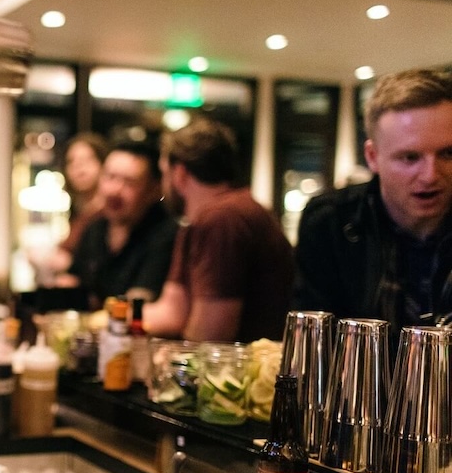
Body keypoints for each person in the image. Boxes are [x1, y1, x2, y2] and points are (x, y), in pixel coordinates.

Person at [294, 68, 452, 333]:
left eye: (448, 153)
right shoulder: (330, 222)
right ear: (372, 156)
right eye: (410, 157)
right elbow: (313, 344)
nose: (430, 175)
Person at [144, 118, 294, 342]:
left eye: (164, 173)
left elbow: (211, 335)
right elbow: (171, 312)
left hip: (242, 373)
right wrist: (113, 315)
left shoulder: (223, 219)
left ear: (180, 174)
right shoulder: (206, 218)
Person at [66, 140, 179, 309]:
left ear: (154, 190)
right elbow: (74, 284)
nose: (114, 190)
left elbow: (138, 303)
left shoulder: (166, 234)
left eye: (129, 182)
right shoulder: (95, 229)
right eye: (110, 177)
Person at [32, 132, 109, 285]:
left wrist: (69, 263)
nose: (78, 167)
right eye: (71, 162)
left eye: (87, 160)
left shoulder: (108, 214)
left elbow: (105, 268)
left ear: (104, 164)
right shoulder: (80, 213)